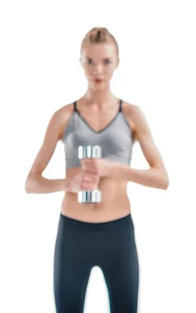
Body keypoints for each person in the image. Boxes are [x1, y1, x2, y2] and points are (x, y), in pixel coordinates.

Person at [25, 27, 169, 313]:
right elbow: (32, 182)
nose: (97, 70)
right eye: (90, 61)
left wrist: (113, 168)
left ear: (117, 63)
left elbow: (161, 178)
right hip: (73, 233)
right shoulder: (64, 116)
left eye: (105, 61)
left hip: (118, 233)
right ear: (80, 62)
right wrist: (68, 183)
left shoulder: (131, 115)